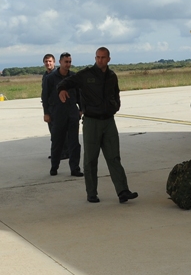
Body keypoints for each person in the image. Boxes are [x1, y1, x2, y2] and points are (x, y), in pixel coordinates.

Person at [58, 47, 137, 204]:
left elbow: (116, 94)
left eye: (103, 57)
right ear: (95, 58)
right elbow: (66, 82)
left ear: (109, 59)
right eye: (98, 57)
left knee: (114, 157)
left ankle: (123, 191)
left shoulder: (112, 76)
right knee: (90, 159)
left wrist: (115, 106)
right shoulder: (86, 75)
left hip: (108, 121)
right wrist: (61, 89)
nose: (100, 60)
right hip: (92, 122)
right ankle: (91, 193)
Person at [43, 52, 82, 177]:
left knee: (74, 142)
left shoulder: (74, 77)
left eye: (70, 62)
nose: (68, 64)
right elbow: (45, 96)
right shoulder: (50, 78)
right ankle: (54, 167)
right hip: (58, 113)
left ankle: (75, 168)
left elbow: (80, 94)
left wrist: (81, 109)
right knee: (57, 141)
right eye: (66, 62)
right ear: (60, 62)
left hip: (72, 112)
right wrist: (46, 113)